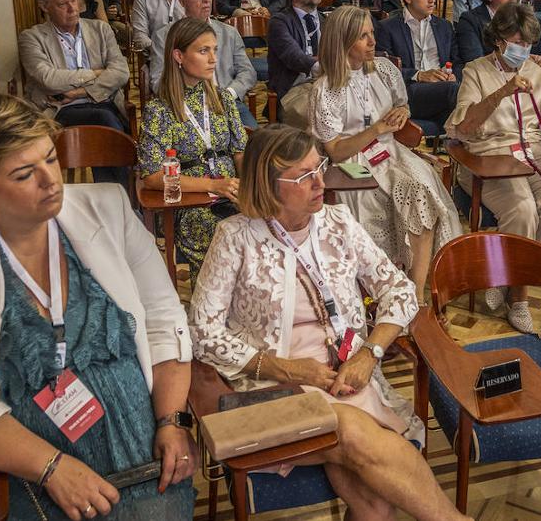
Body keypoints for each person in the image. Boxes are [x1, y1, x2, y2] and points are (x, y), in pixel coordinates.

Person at [0, 94, 196, 521]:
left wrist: (171, 420)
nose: (50, 180)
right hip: (32, 475)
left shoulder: (108, 208)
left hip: (147, 455)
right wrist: (51, 468)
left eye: (51, 160)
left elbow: (166, 319)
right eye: (24, 174)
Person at [188, 125, 473, 521]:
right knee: (356, 436)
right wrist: (283, 366)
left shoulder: (338, 222)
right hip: (275, 383)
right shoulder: (235, 236)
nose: (321, 181)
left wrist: (369, 354)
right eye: (304, 176)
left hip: (347, 375)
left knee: (375, 507)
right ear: (269, 187)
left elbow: (401, 291)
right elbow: (203, 332)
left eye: (318, 166)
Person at [445, 2, 541, 333]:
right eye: (516, 41)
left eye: (528, 43)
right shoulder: (476, 72)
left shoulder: (535, 72)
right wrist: (502, 91)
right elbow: (463, 127)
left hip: (533, 153)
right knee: (522, 210)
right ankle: (518, 298)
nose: (522, 49)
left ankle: (503, 275)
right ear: (498, 38)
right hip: (489, 155)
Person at [310, 6, 461, 298]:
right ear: (342, 42)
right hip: (352, 160)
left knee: (422, 192)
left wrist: (400, 114)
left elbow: (401, 104)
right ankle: (380, 283)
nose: (372, 41)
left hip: (390, 150)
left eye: (371, 33)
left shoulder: (384, 69)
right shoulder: (326, 89)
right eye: (362, 36)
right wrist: (376, 129)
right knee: (375, 203)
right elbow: (336, 150)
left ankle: (414, 292)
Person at [138, 18, 248, 278]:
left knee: (267, 223)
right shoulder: (160, 110)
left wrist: (247, 189)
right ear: (178, 56)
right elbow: (153, 177)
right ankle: (213, 309)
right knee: (219, 233)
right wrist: (213, 185)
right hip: (190, 203)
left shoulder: (223, 100)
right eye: (203, 51)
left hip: (231, 194)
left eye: (214, 50)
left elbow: (240, 153)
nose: (213, 59)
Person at [19, 0, 130, 185]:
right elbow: (49, 78)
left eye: (74, 0)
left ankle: (115, 196)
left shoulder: (100, 29)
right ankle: (118, 194)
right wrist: (97, 72)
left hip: (101, 101)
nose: (73, 9)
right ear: (44, 6)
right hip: (59, 111)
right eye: (63, 4)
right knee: (105, 123)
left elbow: (121, 72)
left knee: (105, 121)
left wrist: (80, 92)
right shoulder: (31, 38)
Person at [374, 0, 458, 134]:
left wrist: (452, 73)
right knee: (455, 91)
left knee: (459, 89)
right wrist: (418, 75)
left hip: (442, 87)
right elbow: (381, 68)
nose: (432, 0)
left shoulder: (444, 26)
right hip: (409, 90)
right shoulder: (387, 27)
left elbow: (457, 61)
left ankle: (436, 132)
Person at [173, 0, 258, 129]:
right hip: (186, 108)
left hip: (228, 103)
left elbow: (247, 72)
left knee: (256, 146)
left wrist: (229, 94)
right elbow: (159, 79)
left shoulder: (229, 32)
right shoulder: (166, 36)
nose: (207, 0)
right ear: (182, 1)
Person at [268, 0, 327, 129]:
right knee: (320, 119)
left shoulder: (327, 20)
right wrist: (323, 66)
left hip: (327, 85)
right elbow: (294, 57)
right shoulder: (279, 22)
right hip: (295, 90)